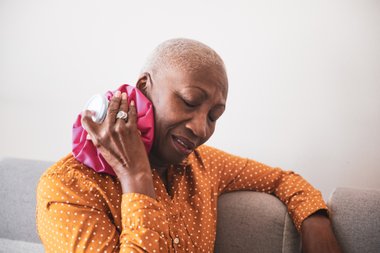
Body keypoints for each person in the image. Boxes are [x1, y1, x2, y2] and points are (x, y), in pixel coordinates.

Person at [36, 38, 342, 252]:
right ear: (144, 86)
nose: (200, 128)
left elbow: (283, 180)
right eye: (189, 101)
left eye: (214, 115)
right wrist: (137, 178)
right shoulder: (68, 188)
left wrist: (315, 223)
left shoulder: (203, 164)